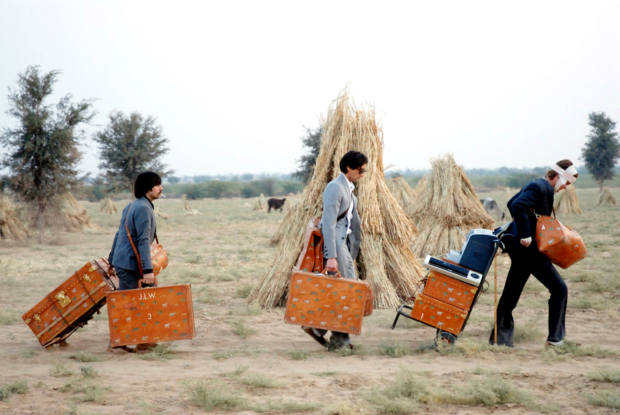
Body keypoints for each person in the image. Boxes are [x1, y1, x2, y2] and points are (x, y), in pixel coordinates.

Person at [490, 160, 578, 348]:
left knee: (511, 293)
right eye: (567, 183)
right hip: (528, 250)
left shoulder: (537, 184)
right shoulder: (542, 187)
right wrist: (525, 233)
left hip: (521, 249)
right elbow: (518, 206)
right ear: (559, 177)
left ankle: (500, 339)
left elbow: (511, 202)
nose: (566, 187)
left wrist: (525, 226)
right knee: (559, 289)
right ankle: (555, 339)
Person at [302, 151, 367, 351]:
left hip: (344, 244)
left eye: (364, 169)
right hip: (336, 246)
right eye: (360, 169)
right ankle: (337, 339)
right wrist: (331, 257)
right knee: (347, 291)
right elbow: (328, 223)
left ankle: (319, 329)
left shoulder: (349, 189)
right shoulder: (335, 187)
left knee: (345, 291)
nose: (363, 173)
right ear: (349, 167)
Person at [107, 172, 163, 352]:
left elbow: (119, 234)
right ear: (148, 188)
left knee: (137, 301)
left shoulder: (132, 206)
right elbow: (143, 241)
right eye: (157, 185)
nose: (161, 188)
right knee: (129, 304)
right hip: (131, 264)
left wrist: (111, 259)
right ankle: (118, 343)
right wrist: (148, 270)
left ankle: (142, 341)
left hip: (123, 261)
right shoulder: (143, 208)